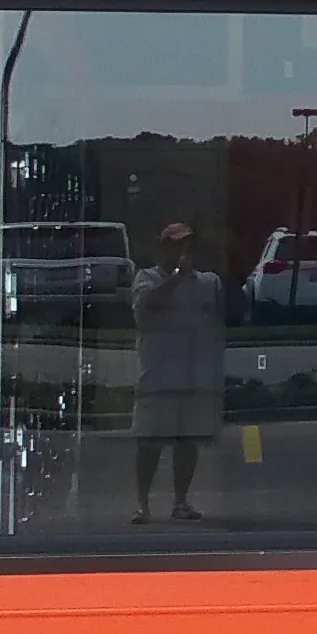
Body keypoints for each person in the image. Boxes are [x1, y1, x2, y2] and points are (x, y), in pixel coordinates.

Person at [127, 219, 229, 522]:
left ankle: (180, 501)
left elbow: (225, 313)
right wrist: (175, 278)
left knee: (187, 441)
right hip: (157, 375)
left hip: (193, 374)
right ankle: (142, 504)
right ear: (162, 246)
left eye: (186, 244)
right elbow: (147, 306)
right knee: (149, 442)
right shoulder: (146, 278)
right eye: (174, 244)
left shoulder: (208, 282)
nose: (181, 250)